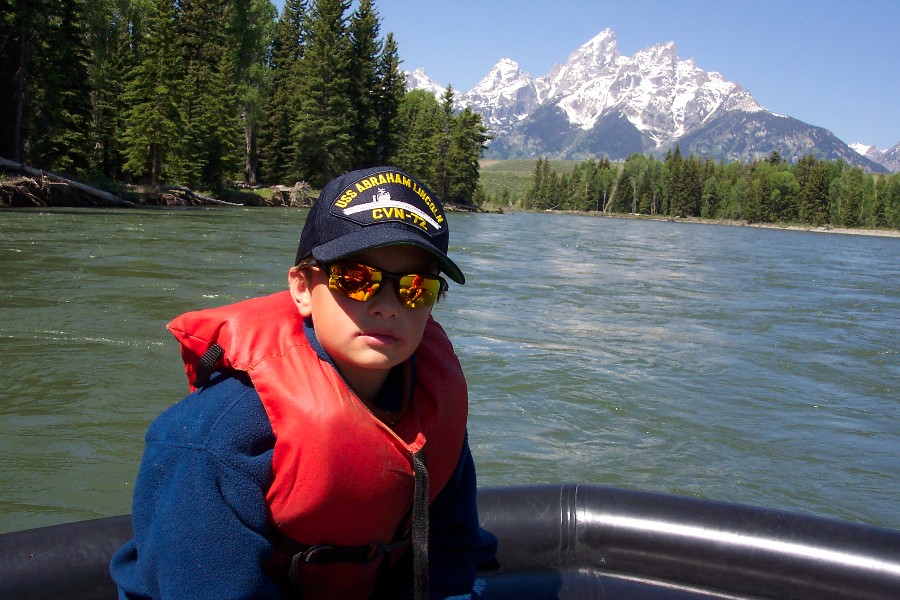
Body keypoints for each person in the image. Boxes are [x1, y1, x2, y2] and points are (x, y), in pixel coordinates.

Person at [110, 166, 498, 599]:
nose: (389, 306)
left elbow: (451, 553)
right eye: (356, 280)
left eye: (414, 288)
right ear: (302, 288)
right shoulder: (217, 436)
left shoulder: (431, 407)